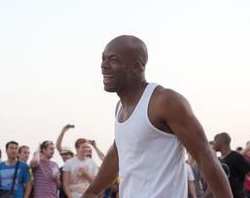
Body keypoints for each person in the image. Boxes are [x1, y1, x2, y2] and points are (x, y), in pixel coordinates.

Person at [81, 35, 232, 198]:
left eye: (113, 60)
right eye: (103, 59)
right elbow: (118, 153)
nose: (104, 65)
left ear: (136, 67)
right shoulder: (120, 108)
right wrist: (91, 192)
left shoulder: (164, 101)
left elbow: (204, 155)